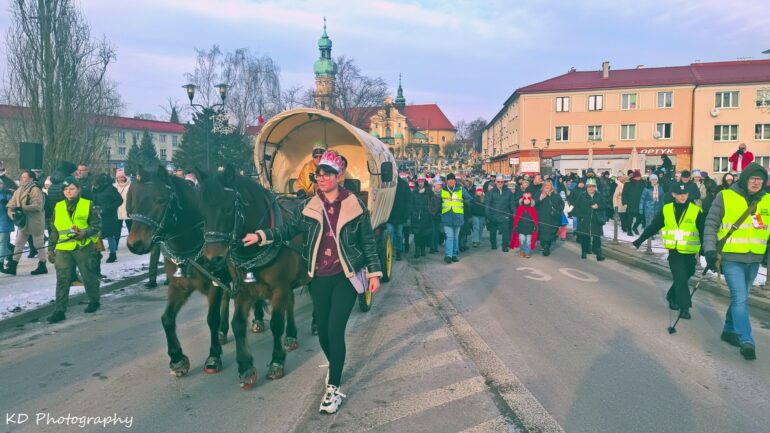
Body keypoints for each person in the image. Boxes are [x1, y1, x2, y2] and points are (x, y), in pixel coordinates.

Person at [242, 150, 382, 414]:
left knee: (334, 330)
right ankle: (335, 365)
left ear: (339, 176)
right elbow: (287, 230)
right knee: (324, 337)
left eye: (327, 173)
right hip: (317, 277)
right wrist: (261, 235)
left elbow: (368, 241)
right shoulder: (310, 206)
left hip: (346, 276)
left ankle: (334, 388)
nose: (321, 177)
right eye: (319, 173)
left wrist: (374, 273)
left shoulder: (355, 205)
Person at [703, 162, 768, 361]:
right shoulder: (725, 196)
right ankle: (746, 339)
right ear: (745, 178)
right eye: (753, 178)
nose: (756, 183)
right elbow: (711, 223)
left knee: (742, 296)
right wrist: (710, 250)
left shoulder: (767, 201)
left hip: (754, 258)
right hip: (730, 258)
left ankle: (728, 329)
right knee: (741, 297)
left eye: (760, 179)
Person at [633, 182, 704, 319]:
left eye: (685, 194)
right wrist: (640, 239)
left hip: (690, 252)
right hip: (674, 251)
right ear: (673, 194)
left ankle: (671, 295)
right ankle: (684, 307)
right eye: (679, 194)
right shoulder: (667, 209)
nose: (683, 196)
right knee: (680, 277)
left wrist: (705, 249)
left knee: (688, 273)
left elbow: (702, 231)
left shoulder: (696, 210)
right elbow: (654, 226)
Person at [46, 176, 102, 323]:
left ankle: (94, 301)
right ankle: (60, 310)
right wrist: (51, 249)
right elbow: (54, 230)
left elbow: (97, 226)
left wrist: (84, 233)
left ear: (78, 189)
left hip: (83, 247)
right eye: (65, 189)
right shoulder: (58, 206)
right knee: (62, 279)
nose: (68, 192)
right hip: (63, 248)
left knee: (88, 275)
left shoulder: (87, 204)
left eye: (71, 189)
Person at [4, 171, 48, 275]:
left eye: (24, 177)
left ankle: (42, 264)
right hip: (23, 221)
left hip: (35, 221)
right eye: (21, 177)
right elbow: (11, 204)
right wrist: (12, 213)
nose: (21, 178)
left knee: (38, 244)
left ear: (31, 179)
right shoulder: (19, 189)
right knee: (18, 244)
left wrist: (21, 208)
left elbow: (38, 206)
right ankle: (13, 266)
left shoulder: (35, 189)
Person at [572, 178, 607, 261]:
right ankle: (584, 251)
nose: (591, 188)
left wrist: (598, 206)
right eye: (589, 186)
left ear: (595, 187)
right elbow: (577, 207)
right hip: (585, 220)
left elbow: (605, 205)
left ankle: (598, 254)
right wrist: (579, 215)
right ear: (586, 187)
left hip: (596, 220)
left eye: (593, 186)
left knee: (597, 238)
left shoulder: (599, 195)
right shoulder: (582, 195)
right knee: (585, 237)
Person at [92, 173, 123, 263]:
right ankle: (98, 253)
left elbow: (119, 200)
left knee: (110, 236)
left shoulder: (110, 189)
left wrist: (108, 208)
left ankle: (113, 254)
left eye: (96, 183)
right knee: (97, 234)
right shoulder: (95, 189)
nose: (95, 184)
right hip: (97, 214)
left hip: (109, 216)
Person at [440, 173, 469, 263]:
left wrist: (470, 200)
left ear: (455, 181)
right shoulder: (443, 190)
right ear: (447, 181)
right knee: (450, 237)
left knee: (456, 237)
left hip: (458, 217)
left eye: (452, 180)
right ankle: (448, 255)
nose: (451, 181)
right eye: (449, 180)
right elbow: (437, 201)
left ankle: (454, 254)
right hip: (447, 217)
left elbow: (468, 197)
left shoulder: (461, 189)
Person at [485, 175, 515, 251]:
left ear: (504, 182)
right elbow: (487, 204)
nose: (500, 183)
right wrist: (488, 216)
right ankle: (493, 244)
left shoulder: (508, 191)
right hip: (493, 215)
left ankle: (505, 246)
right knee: (493, 231)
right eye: (498, 182)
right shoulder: (491, 192)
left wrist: (514, 213)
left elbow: (512, 204)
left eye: (502, 182)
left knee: (506, 231)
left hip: (505, 214)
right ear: (495, 182)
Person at [535, 179, 564, 256]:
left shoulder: (555, 194)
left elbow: (562, 204)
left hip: (553, 218)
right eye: (546, 186)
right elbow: (534, 203)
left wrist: (558, 211)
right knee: (543, 234)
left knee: (551, 233)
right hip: (542, 217)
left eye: (549, 185)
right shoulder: (539, 193)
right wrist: (540, 198)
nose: (547, 187)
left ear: (551, 186)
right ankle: (544, 246)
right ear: (543, 186)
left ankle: (547, 246)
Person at [410, 175, 437, 257]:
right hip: (416, 217)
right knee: (417, 234)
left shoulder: (429, 192)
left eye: (422, 181)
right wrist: (413, 213)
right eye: (419, 182)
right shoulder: (414, 192)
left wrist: (431, 213)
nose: (420, 183)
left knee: (424, 234)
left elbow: (434, 203)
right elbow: (411, 204)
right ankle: (417, 251)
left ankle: (423, 249)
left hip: (426, 217)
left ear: (424, 182)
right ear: (417, 182)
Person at [387, 177, 412, 261]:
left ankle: (398, 251)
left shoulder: (404, 184)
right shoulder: (387, 183)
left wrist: (406, 214)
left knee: (398, 234)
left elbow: (408, 200)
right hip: (389, 215)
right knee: (390, 233)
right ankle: (391, 250)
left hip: (400, 215)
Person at [511, 192, 538, 258]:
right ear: (522, 200)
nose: (526, 200)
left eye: (528, 199)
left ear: (530, 201)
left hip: (529, 229)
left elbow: (535, 220)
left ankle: (527, 252)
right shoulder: (520, 208)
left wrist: (535, 227)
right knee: (522, 240)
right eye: (525, 199)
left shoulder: (533, 209)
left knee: (528, 241)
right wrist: (516, 226)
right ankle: (522, 251)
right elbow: (516, 219)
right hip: (521, 228)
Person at [622, 170, 645, 235]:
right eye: (637, 177)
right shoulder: (628, 184)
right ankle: (629, 230)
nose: (638, 178)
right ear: (634, 177)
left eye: (639, 176)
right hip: (630, 203)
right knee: (630, 218)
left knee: (640, 217)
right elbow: (624, 194)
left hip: (640, 204)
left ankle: (635, 227)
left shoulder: (643, 183)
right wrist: (624, 203)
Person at [114, 168, 132, 237]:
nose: (120, 179)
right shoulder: (114, 186)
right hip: (117, 211)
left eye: (122, 177)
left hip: (128, 210)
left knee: (130, 229)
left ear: (124, 177)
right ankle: (115, 246)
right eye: (118, 177)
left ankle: (132, 245)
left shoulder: (130, 186)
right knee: (116, 230)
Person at [0, 178, 13, 272]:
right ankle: (11, 253)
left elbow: (13, 205)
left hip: (5, 222)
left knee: (2, 243)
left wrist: (7, 204)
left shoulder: (7, 193)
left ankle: (0, 263)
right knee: (3, 244)